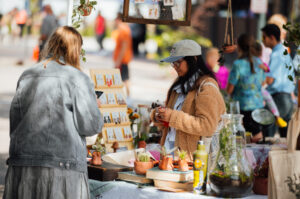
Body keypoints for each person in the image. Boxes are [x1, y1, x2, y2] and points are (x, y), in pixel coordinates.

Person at [3, 26, 104, 199]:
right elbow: (90, 126)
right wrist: (96, 106)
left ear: (51, 45)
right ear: (75, 49)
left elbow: (15, 121)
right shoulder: (78, 78)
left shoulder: (28, 74)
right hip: (63, 167)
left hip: (23, 162)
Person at [152, 39, 226, 160]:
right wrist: (159, 115)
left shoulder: (207, 86)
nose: (175, 67)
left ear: (194, 59)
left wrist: (172, 117)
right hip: (170, 153)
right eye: (173, 63)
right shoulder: (179, 83)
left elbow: (208, 126)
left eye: (178, 62)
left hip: (192, 160)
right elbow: (170, 119)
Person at [227, 34, 266, 143]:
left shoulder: (238, 64)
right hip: (258, 104)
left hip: (242, 106)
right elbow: (263, 82)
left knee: (242, 138)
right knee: (257, 135)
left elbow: (229, 89)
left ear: (239, 47)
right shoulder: (259, 63)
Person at [261, 24, 295, 138]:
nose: (263, 41)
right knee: (285, 140)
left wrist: (255, 85)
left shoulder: (276, 54)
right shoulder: (284, 51)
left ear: (271, 37)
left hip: (279, 99)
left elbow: (269, 80)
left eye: (264, 37)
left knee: (268, 134)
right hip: (287, 99)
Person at [252, 41, 287, 128]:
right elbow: (267, 70)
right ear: (260, 53)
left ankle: (277, 117)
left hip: (253, 88)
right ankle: (277, 116)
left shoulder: (250, 61)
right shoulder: (259, 62)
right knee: (269, 100)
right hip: (258, 87)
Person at [113, 13, 133, 97]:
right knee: (123, 79)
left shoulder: (123, 29)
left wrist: (118, 61)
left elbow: (124, 47)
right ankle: (125, 97)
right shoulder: (124, 28)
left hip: (122, 59)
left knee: (123, 79)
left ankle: (127, 98)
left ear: (118, 19)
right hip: (123, 59)